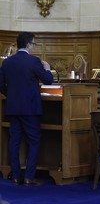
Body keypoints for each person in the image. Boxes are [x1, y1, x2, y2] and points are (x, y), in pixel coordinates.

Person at [0, 32, 54, 186]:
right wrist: (48, 68)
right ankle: (29, 177)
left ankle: (16, 176)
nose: (33, 47)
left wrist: (10, 95)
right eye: (34, 44)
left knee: (14, 142)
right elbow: (48, 81)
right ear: (29, 44)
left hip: (13, 107)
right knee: (34, 141)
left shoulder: (7, 63)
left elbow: (0, 84)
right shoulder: (34, 61)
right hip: (30, 108)